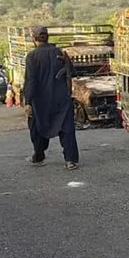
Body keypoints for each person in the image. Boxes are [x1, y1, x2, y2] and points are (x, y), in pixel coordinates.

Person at [23, 25, 79, 169]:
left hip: (41, 100)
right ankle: (70, 160)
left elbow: (31, 81)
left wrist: (28, 101)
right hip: (61, 97)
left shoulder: (32, 56)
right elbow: (72, 71)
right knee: (66, 128)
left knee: (36, 126)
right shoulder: (59, 52)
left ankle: (39, 156)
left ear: (34, 39)